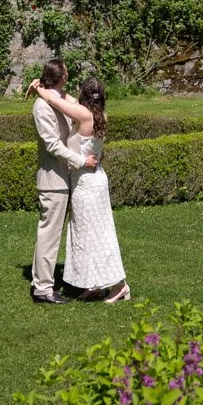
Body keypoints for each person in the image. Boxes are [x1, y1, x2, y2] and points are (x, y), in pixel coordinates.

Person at [29, 74, 130, 304]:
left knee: (97, 236)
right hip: (91, 180)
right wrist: (48, 87)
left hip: (87, 183)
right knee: (86, 235)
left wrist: (39, 88)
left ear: (83, 94)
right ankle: (93, 285)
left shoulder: (83, 114)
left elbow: (57, 101)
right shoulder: (99, 114)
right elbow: (64, 98)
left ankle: (119, 285)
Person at [27, 58, 97, 305]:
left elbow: (73, 105)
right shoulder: (42, 107)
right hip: (52, 180)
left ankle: (43, 282)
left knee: (51, 233)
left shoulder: (55, 98)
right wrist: (80, 161)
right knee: (49, 234)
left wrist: (40, 88)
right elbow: (52, 144)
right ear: (63, 77)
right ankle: (43, 289)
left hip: (63, 177)